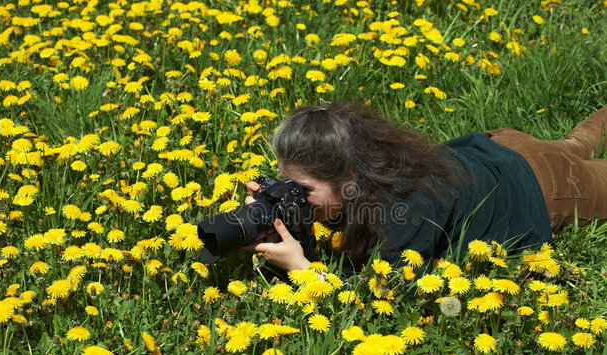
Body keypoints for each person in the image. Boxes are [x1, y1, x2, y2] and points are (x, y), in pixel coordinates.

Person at [244, 102, 607, 273]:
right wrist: (278, 219)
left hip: (544, 186)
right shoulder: (367, 164)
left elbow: (383, 302)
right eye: (285, 182)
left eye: (303, 189)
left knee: (580, 159)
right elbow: (340, 212)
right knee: (578, 142)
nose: (293, 195)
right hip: (501, 146)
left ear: (350, 178)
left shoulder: (403, 209)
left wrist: (303, 270)